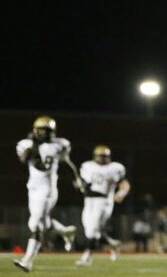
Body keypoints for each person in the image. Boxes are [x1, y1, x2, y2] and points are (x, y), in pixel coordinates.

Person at [14, 116, 81, 273]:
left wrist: (76, 179)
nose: (42, 133)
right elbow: (23, 159)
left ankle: (27, 261)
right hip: (32, 189)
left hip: (48, 190)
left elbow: (65, 164)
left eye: (46, 130)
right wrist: (32, 147)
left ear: (52, 132)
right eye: (40, 130)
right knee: (40, 223)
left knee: (35, 224)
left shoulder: (59, 145)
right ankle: (65, 231)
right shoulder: (27, 144)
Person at [75, 145, 130, 266]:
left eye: (104, 156)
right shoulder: (87, 166)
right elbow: (83, 182)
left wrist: (121, 193)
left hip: (104, 201)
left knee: (93, 229)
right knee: (90, 231)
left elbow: (124, 183)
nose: (102, 159)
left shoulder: (115, 168)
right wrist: (80, 185)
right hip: (89, 201)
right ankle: (113, 244)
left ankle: (87, 257)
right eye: (100, 156)